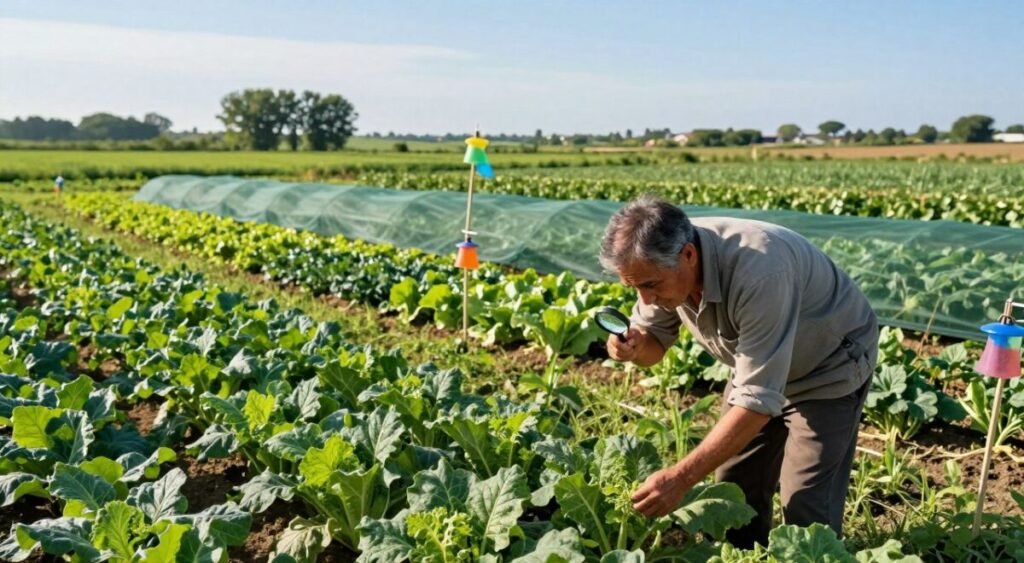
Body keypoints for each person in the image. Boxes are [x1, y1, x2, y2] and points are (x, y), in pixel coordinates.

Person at [600, 195, 878, 547]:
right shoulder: (661, 266)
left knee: (807, 506)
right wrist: (633, 348)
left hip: (826, 365)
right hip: (758, 363)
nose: (645, 299)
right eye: (635, 287)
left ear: (689, 255)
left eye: (650, 285)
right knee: (734, 488)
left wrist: (680, 478)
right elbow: (653, 344)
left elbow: (756, 402)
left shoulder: (760, 271)